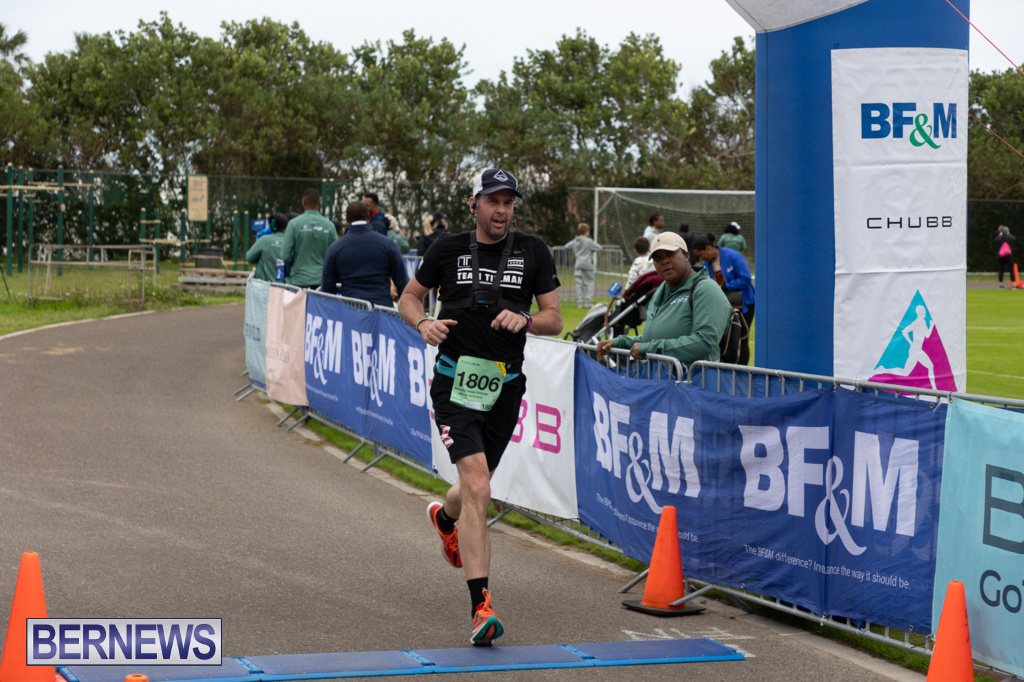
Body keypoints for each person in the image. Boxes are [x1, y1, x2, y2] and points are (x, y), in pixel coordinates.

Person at [397, 168, 562, 647]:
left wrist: (526, 319)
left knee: (474, 487)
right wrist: (423, 323)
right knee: (480, 485)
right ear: (474, 204)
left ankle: (445, 519)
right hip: (454, 383)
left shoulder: (533, 250)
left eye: (509, 202)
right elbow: (408, 297)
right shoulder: (446, 248)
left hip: (505, 388)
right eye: (493, 201)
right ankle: (481, 608)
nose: (502, 210)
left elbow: (554, 317)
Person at [596, 232, 730, 368]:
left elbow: (704, 342)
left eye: (670, 254)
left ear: (686, 255)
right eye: (658, 258)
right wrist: (619, 342)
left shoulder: (706, 289)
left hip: (695, 379)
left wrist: (649, 348)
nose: (664, 261)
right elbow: (654, 338)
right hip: (660, 377)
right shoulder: (662, 290)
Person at [321, 202, 408, 307]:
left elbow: (327, 289)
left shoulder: (335, 248)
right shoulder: (388, 244)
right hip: (382, 309)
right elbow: (402, 282)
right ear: (368, 217)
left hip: (350, 309)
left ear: (347, 219)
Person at [690, 236, 755, 365]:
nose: (701, 259)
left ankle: (742, 372)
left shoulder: (733, 256)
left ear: (708, 248)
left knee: (741, 338)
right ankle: (725, 370)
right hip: (723, 307)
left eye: (701, 255)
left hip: (744, 305)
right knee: (723, 339)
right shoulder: (706, 264)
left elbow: (746, 278)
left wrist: (726, 286)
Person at [281, 189, 337, 289]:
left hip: (299, 280)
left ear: (304, 202)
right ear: (319, 203)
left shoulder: (293, 224)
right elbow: (335, 255)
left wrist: (294, 263)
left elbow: (285, 256)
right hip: (322, 281)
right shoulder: (329, 226)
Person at [563, 222, 602, 308]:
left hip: (578, 264)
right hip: (587, 265)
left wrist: (576, 251)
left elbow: (566, 246)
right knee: (590, 283)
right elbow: (599, 247)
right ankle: (588, 302)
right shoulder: (589, 241)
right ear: (587, 232)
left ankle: (580, 303)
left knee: (579, 284)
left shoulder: (575, 241)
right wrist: (592, 250)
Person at [245, 213, 288, 281]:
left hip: (265, 284)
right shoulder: (290, 241)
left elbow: (249, 257)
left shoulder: (264, 240)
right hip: (287, 286)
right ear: (286, 226)